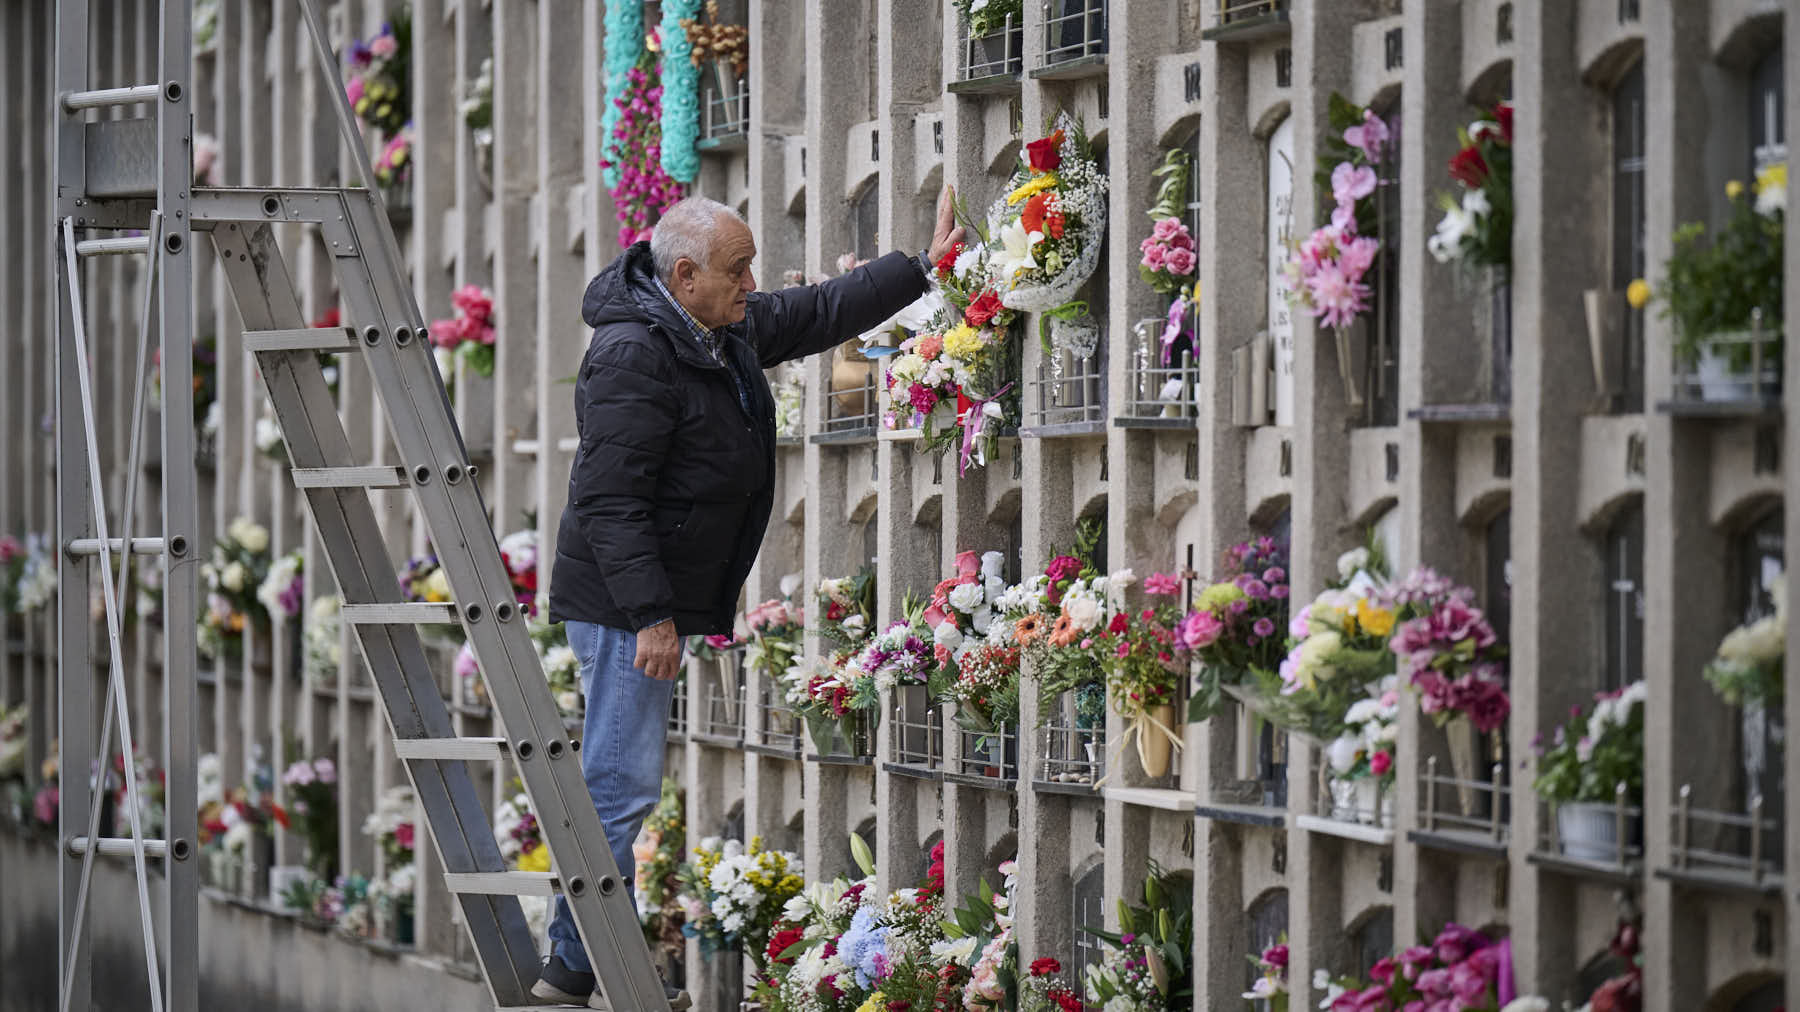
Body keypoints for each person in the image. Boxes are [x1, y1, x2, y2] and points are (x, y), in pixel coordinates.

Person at [533, 190, 965, 1008]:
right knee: (617, 786)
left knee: (615, 782)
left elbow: (811, 312)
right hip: (628, 605)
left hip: (646, 600)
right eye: (739, 269)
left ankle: (573, 961)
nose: (752, 283)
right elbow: (609, 498)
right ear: (685, 274)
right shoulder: (635, 352)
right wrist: (651, 616)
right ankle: (573, 968)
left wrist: (918, 270)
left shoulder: (709, 326)